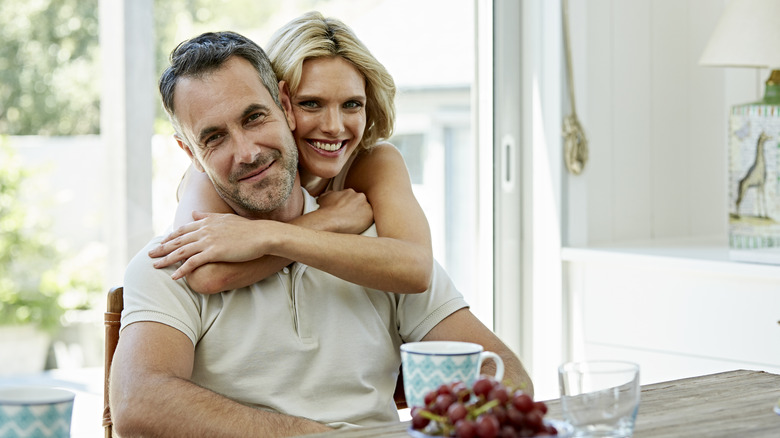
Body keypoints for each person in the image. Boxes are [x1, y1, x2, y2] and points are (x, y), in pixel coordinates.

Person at [110, 30, 532, 437]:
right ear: (190, 153)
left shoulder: (376, 248)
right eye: (214, 137)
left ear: (285, 107)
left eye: (254, 117)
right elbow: (138, 403)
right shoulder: (172, 260)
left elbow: (508, 375)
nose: (248, 152)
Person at [148, 12, 433, 296]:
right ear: (281, 105)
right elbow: (205, 275)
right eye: (310, 103)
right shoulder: (225, 169)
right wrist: (327, 220)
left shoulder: (373, 162)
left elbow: (417, 269)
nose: (334, 127)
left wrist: (270, 236)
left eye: (351, 104)